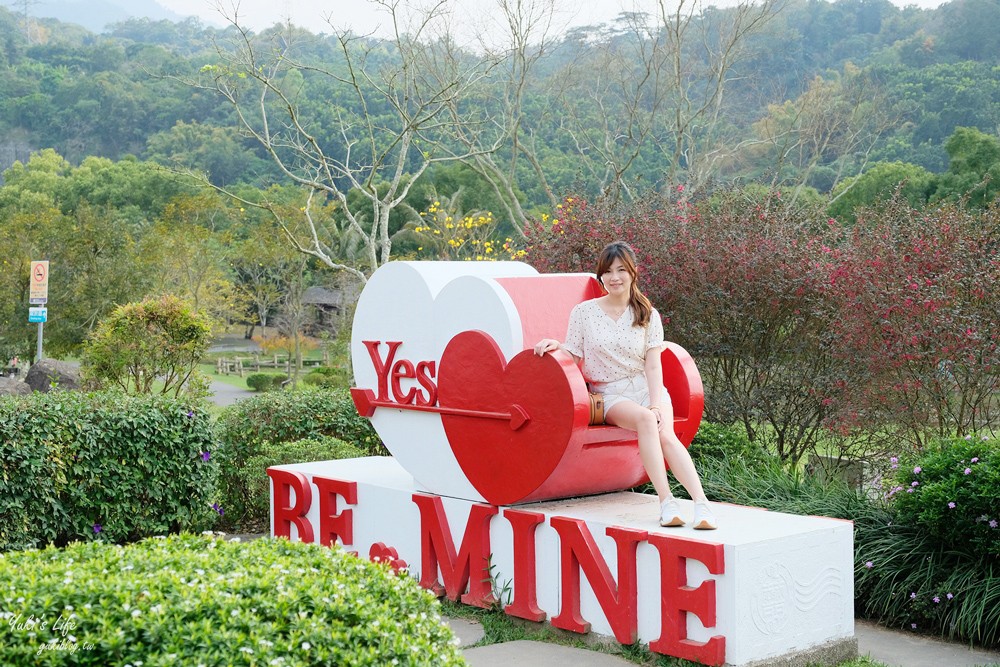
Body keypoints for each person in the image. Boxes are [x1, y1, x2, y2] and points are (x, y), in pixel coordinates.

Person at [533, 242, 718, 529]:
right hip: (611, 394)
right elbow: (573, 354)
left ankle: (702, 505)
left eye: (621, 270)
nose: (614, 277)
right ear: (600, 276)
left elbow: (653, 365)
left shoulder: (647, 314)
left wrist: (657, 402)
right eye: (607, 272)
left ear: (633, 273)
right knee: (646, 420)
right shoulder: (584, 312)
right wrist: (557, 346)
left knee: (666, 435)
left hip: (646, 388)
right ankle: (666, 502)